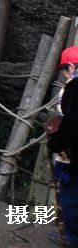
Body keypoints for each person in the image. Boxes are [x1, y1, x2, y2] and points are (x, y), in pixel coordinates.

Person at [48, 45, 78, 248]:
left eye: (63, 70)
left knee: (71, 199)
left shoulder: (73, 88)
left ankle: (72, 240)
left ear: (70, 67)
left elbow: (70, 123)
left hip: (72, 157)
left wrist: (55, 143)